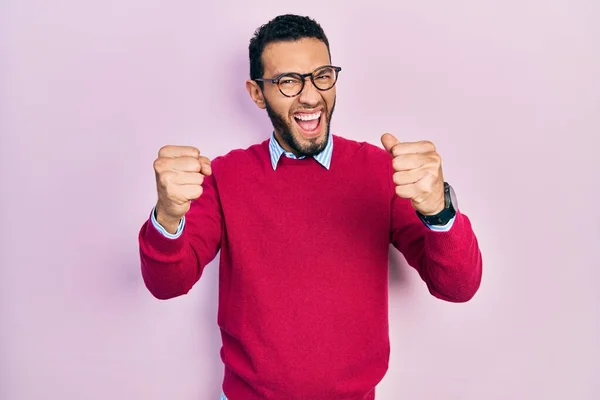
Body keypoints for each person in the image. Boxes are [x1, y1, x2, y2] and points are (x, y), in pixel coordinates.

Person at [138, 14, 483, 400]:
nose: (310, 96)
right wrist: (167, 215)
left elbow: (458, 286)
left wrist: (439, 210)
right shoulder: (223, 175)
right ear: (257, 93)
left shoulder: (381, 171)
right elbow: (167, 284)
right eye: (288, 81)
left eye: (322, 75)